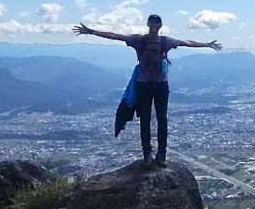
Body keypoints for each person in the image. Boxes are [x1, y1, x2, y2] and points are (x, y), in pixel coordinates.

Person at [72, 14, 223, 168]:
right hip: (147, 84)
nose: (153, 26)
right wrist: (90, 31)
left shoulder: (163, 41)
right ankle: (148, 155)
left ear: (158, 26)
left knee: (160, 120)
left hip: (156, 85)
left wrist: (206, 44)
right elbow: (115, 36)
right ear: (150, 25)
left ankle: (160, 154)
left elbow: (187, 43)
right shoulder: (140, 40)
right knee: (147, 120)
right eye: (151, 24)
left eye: (155, 24)